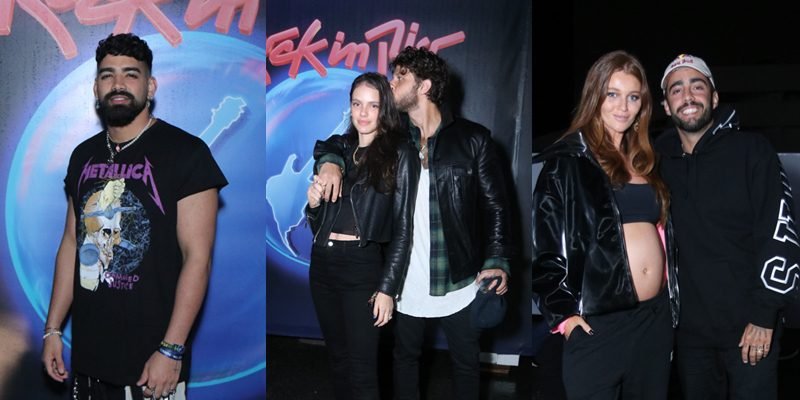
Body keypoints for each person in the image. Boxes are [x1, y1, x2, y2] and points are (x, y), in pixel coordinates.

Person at [315, 46, 513, 400]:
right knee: (404, 359)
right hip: (404, 277)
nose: (391, 84)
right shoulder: (392, 138)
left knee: (465, 363)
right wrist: (330, 160)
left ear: (424, 86)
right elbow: (342, 142)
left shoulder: (473, 139)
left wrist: (496, 260)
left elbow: (496, 206)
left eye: (400, 77)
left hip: (458, 276)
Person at [41, 33, 227, 400]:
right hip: (89, 358)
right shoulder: (82, 155)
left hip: (152, 362)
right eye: (107, 75)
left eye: (131, 74)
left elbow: (198, 258)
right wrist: (53, 330)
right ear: (96, 88)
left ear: (150, 86)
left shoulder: (187, 152)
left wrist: (171, 349)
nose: (118, 84)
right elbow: (72, 243)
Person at [532, 50, 679, 400]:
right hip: (598, 323)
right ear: (595, 96)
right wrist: (564, 317)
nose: (623, 107)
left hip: (654, 319)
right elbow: (546, 250)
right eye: (612, 94)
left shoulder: (647, 161)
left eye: (633, 97)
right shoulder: (567, 162)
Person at [655, 53, 800, 399]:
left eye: (697, 86)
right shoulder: (657, 162)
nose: (688, 96)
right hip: (689, 335)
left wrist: (765, 314)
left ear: (715, 97)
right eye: (677, 89)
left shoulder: (752, 151)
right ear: (666, 106)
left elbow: (780, 231)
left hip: (750, 327)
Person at [304, 72, 416, 400]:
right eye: (357, 104)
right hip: (322, 264)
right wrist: (314, 206)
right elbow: (320, 222)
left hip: (362, 268)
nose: (363, 113)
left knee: (363, 371)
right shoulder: (340, 148)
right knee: (337, 363)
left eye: (373, 105)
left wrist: (387, 288)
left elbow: (404, 229)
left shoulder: (400, 154)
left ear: (385, 109)